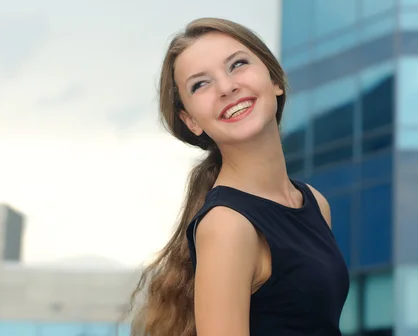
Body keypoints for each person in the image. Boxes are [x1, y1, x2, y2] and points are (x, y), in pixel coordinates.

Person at [128, 18, 350, 336]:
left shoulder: (314, 202)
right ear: (191, 120)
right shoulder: (227, 225)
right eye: (200, 84)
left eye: (238, 64)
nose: (227, 87)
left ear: (275, 80)